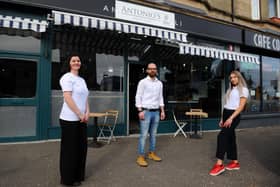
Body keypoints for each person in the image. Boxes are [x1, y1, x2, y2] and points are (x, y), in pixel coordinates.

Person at [209, 70, 249, 176]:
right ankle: (235, 162)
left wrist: (231, 118)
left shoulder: (243, 90)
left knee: (221, 136)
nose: (232, 79)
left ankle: (219, 164)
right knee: (230, 138)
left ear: (239, 77)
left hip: (234, 115)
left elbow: (240, 107)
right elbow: (226, 104)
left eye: (235, 77)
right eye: (231, 78)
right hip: (226, 113)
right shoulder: (230, 89)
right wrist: (222, 118)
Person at [59, 55, 89, 186]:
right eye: (74, 61)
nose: (77, 62)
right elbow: (67, 97)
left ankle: (78, 176)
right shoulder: (66, 78)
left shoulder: (82, 80)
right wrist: (79, 113)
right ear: (69, 63)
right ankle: (67, 179)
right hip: (69, 119)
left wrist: (87, 112)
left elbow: (86, 98)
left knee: (81, 149)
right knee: (69, 150)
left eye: (78, 60)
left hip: (82, 119)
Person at [135, 63, 165, 167]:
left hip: (156, 112)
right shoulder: (142, 82)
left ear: (156, 70)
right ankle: (140, 156)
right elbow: (138, 96)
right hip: (145, 112)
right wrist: (140, 110)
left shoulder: (159, 83)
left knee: (153, 135)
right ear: (147, 70)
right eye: (150, 69)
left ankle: (151, 153)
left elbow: (160, 97)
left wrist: (162, 111)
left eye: (154, 69)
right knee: (143, 135)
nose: (152, 70)